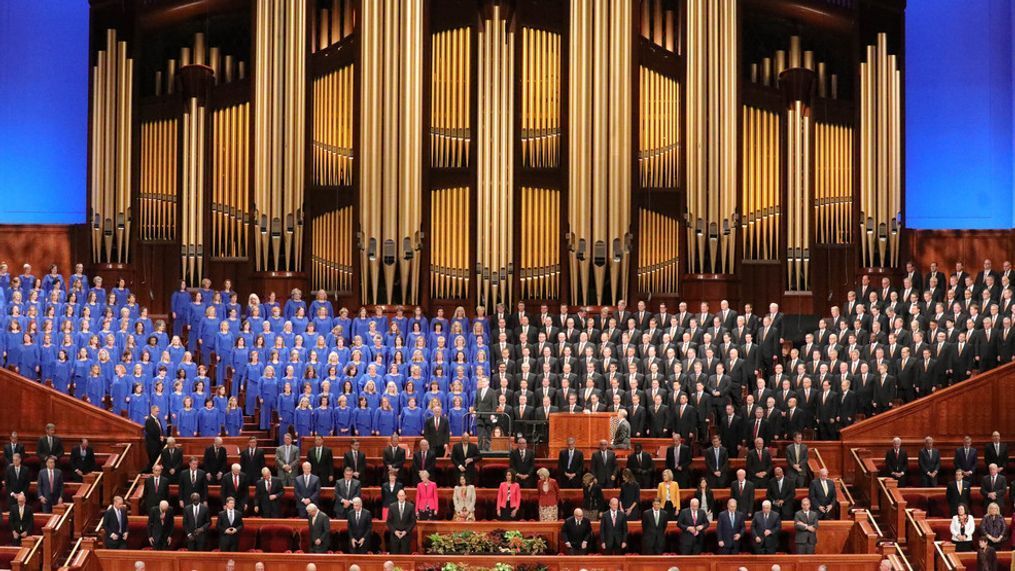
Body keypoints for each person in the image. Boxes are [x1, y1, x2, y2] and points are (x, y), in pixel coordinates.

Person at [385, 489, 416, 554]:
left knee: (405, 557)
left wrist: (405, 531)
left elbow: (413, 522)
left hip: (406, 536)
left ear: (405, 496)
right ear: (397, 496)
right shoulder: (392, 506)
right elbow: (389, 522)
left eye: (402, 495)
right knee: (394, 556)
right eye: (400, 495)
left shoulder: (411, 506)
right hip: (395, 536)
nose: (401, 497)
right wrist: (395, 531)